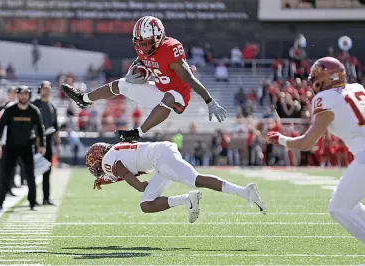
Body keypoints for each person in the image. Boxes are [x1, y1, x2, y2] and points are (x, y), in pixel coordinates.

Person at [61, 16, 226, 142]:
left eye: (147, 43)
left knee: (169, 96)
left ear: (159, 37)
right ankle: (84, 99)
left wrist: (209, 101)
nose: (143, 47)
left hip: (178, 98)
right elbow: (141, 60)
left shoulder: (170, 49)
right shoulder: (143, 47)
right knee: (121, 84)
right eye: (139, 43)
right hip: (160, 90)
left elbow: (190, 79)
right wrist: (133, 71)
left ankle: (137, 133)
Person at [267, 57, 365, 243]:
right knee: (348, 205)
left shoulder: (324, 98)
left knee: (338, 208)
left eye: (317, 76)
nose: (313, 81)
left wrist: (281, 139)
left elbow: (307, 143)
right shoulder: (357, 88)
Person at [86, 141, 266, 223]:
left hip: (162, 158)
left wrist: (141, 186)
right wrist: (104, 180)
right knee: (146, 204)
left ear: (97, 158)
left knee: (196, 179)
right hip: (160, 159)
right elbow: (120, 172)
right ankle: (188, 200)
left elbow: (124, 173)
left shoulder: (108, 160)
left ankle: (244, 191)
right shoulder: (114, 152)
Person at [0, 86, 46, 211]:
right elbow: (0, 127)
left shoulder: (33, 111)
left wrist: (42, 145)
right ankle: (0, 202)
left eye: (26, 94)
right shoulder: (10, 110)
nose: (23, 97)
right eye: (21, 94)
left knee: (30, 175)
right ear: (17, 95)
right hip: (10, 147)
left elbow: (40, 128)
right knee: (4, 175)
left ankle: (32, 203)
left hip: (27, 147)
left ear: (29, 95)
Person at [32, 81, 61, 205]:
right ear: (40, 90)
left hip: (48, 141)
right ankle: (32, 198)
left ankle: (46, 198)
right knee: (33, 170)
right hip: (35, 140)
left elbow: (55, 127)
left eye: (49, 88)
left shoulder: (52, 107)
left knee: (47, 170)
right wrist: (37, 142)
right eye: (45, 88)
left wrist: (58, 143)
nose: (47, 90)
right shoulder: (35, 105)